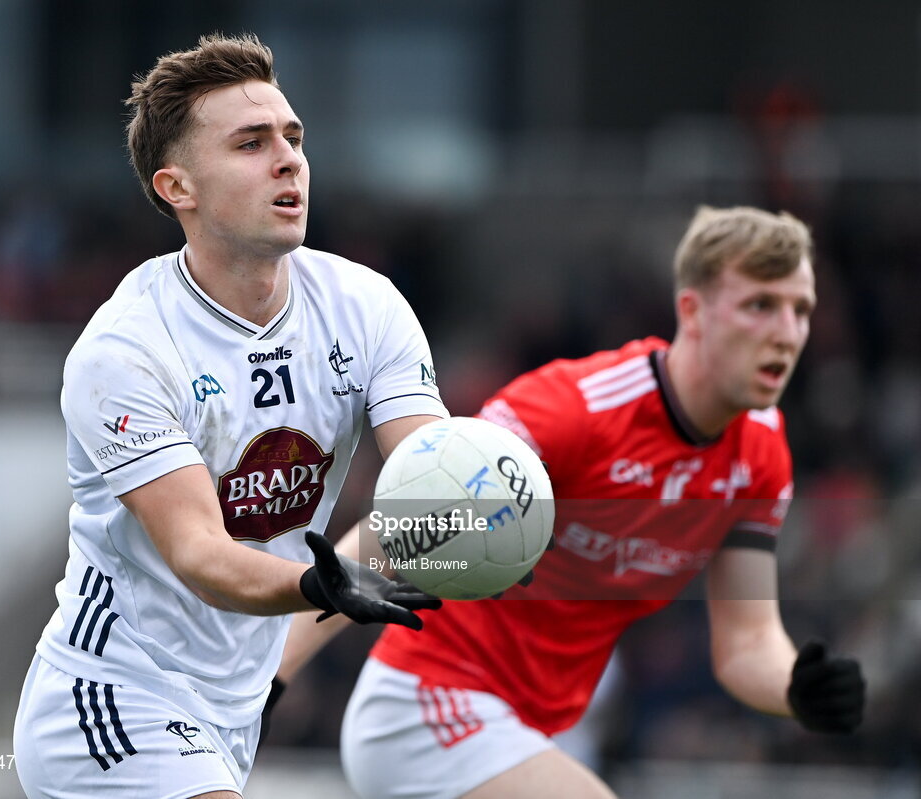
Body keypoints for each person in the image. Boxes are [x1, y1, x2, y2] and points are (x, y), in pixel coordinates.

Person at [277, 205, 866, 799]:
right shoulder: (577, 409)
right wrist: (272, 680)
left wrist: (798, 688)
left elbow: (746, 643)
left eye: (801, 310)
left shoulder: (761, 458)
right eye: (761, 305)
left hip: (539, 732)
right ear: (692, 311)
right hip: (425, 707)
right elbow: (402, 525)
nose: (787, 332)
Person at [12, 33, 447, 799]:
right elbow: (201, 554)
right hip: (114, 693)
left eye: (293, 137)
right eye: (252, 143)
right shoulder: (127, 350)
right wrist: (320, 588)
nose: (288, 159)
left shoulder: (366, 306)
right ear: (176, 186)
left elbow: (426, 484)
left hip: (234, 707)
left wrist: (481, 514)